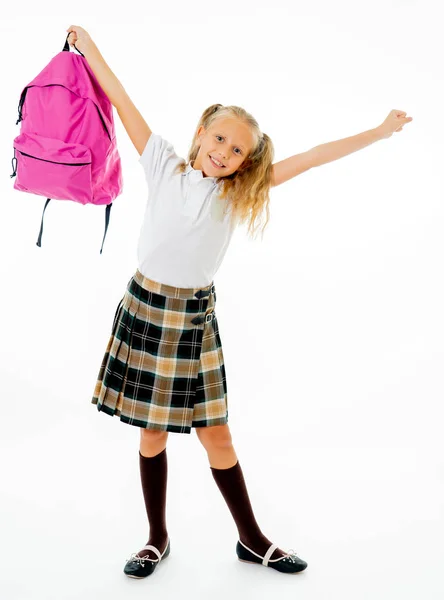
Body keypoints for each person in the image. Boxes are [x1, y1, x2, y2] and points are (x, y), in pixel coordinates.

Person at [66, 24, 413, 579]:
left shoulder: (237, 194)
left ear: (247, 161)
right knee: (151, 431)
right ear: (201, 132)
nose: (225, 151)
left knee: (216, 434)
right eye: (220, 138)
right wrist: (90, 48)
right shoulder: (162, 163)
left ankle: (252, 539)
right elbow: (121, 97)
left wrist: (377, 131)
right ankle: (156, 537)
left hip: (192, 321)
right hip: (146, 310)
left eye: (238, 149)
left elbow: (314, 156)